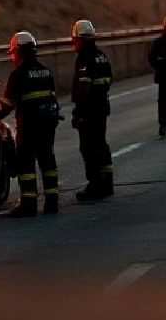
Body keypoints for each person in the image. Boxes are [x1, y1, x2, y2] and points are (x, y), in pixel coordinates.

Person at [0, 31, 61, 216]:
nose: (12, 57)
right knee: (47, 160)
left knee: (26, 164)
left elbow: (8, 104)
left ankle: (29, 204)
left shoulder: (18, 74)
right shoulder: (45, 71)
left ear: (19, 52)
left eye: (13, 53)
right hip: (48, 123)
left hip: (30, 125)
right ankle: (52, 203)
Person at [70, 19, 114, 201]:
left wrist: (79, 113)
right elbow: (108, 80)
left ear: (80, 39)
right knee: (101, 144)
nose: (73, 43)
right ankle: (107, 182)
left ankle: (95, 185)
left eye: (74, 39)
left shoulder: (84, 58)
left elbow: (83, 89)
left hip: (90, 110)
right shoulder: (101, 56)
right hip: (102, 107)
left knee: (88, 147)